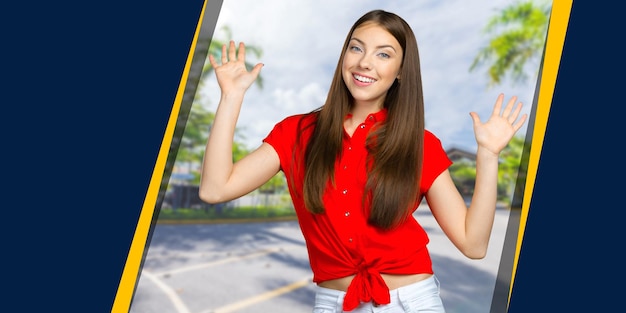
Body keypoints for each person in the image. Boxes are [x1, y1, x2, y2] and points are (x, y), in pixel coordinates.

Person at [199, 9, 527, 313]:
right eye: (356, 48)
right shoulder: (296, 133)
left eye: (383, 54)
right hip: (334, 303)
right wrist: (231, 97)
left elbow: (473, 244)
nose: (365, 63)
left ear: (400, 72)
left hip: (412, 302)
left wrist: (488, 155)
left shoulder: (419, 145)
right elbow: (215, 189)